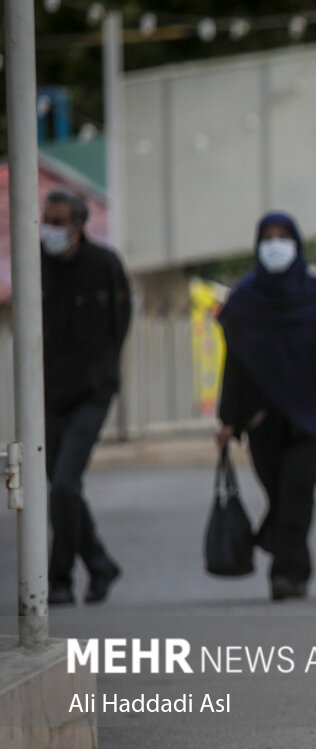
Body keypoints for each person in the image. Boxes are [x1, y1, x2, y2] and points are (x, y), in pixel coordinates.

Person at [215, 212, 316, 601]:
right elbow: (235, 364)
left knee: (297, 488)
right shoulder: (243, 302)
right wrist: (229, 419)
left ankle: (288, 574)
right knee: (280, 496)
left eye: (283, 237)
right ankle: (286, 559)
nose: (275, 244)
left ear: (296, 243)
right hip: (265, 423)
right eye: (268, 237)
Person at [40, 188, 131, 605]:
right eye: (48, 220)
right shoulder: (36, 267)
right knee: (63, 488)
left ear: (79, 226)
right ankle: (98, 565)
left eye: (58, 223)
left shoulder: (104, 265)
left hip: (91, 394)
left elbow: (120, 324)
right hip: (49, 394)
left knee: (63, 486)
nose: (50, 230)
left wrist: (101, 375)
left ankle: (59, 579)